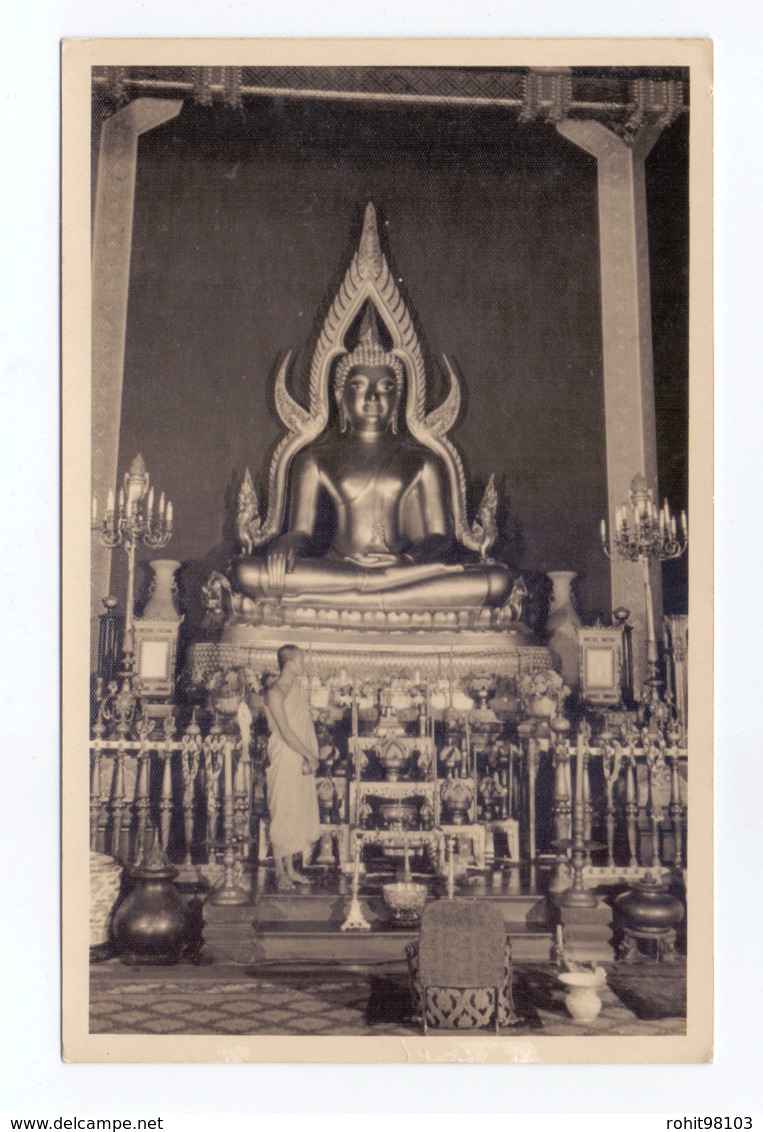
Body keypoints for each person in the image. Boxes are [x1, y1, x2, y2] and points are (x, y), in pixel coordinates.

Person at [231, 307, 512, 610]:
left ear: (398, 400)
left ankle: (364, 595)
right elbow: (303, 532)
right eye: (359, 386)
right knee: (247, 573)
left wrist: (405, 562)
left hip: (404, 571)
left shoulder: (423, 460)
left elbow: (439, 538)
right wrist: (287, 543)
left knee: (496, 580)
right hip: (342, 570)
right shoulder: (314, 459)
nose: (373, 397)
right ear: (339, 397)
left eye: (385, 387)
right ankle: (375, 594)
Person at [263, 644, 322, 891]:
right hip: (285, 755)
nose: (303, 666)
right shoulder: (275, 692)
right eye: (300, 662)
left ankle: (290, 869)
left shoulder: (296, 688)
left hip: (298, 758)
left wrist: (308, 755)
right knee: (282, 812)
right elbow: (285, 732)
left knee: (294, 811)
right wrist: (310, 755)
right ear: (288, 664)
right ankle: (279, 872)